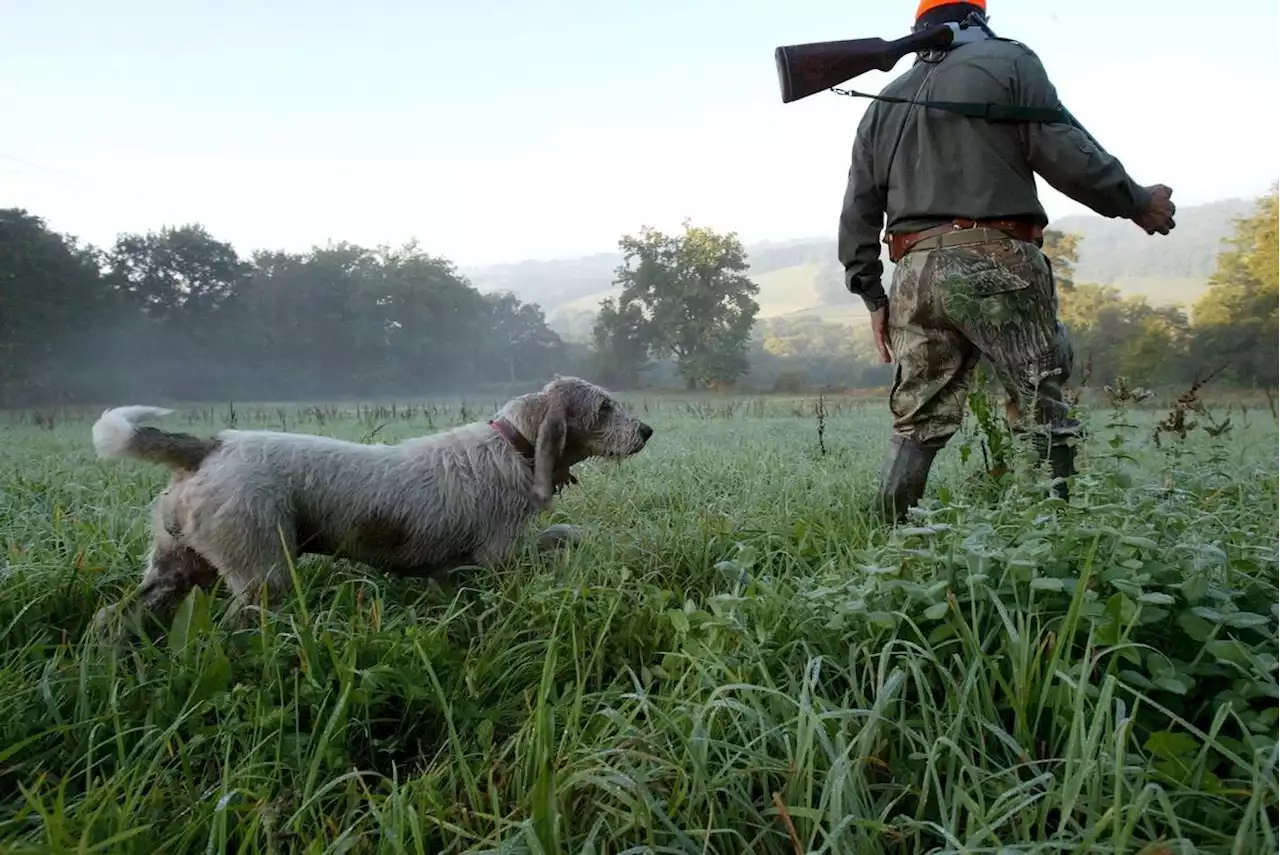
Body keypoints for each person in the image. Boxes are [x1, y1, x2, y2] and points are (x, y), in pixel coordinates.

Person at [837, 0, 1176, 523]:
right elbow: (1065, 151)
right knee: (1040, 404)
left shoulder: (885, 98)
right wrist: (1135, 200)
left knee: (916, 421)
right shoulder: (1010, 62)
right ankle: (1052, 544)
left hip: (912, 273)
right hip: (994, 257)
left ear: (919, 27)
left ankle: (888, 537)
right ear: (978, 18)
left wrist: (872, 294)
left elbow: (859, 204)